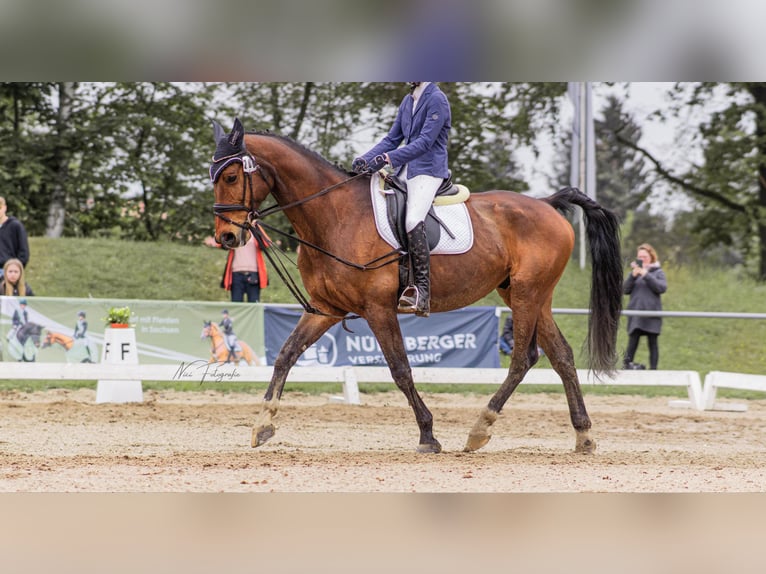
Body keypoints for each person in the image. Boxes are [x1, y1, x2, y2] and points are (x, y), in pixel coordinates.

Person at [352, 82, 452, 318]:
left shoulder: (437, 99)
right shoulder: (408, 101)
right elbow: (392, 138)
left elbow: (425, 142)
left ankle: (422, 291)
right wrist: (365, 159)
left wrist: (388, 158)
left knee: (412, 220)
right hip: (405, 171)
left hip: (428, 171)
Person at [623, 243, 668, 370]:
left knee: (652, 343)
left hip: (652, 314)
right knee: (633, 342)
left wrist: (646, 275)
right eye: (639, 256)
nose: (642, 259)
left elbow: (661, 288)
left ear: (651, 256)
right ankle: (626, 367)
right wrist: (633, 276)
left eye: (644, 256)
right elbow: (625, 290)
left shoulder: (658, 272)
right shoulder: (633, 273)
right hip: (636, 313)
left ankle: (654, 370)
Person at [205, 232, 269, 303]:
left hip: (253, 274)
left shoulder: (255, 230)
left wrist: (257, 226)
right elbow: (220, 244)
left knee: (254, 306)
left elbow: (267, 243)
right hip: (236, 275)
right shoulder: (233, 230)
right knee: (236, 306)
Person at [0, 196, 30, 280]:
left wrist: (15, 270)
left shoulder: (15, 226)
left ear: (5, 208)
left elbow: (23, 252)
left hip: (7, 272)